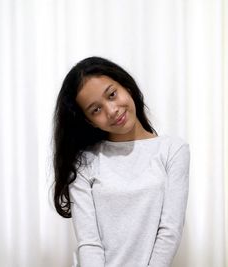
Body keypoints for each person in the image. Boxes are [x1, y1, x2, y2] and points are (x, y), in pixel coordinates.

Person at [52, 56, 190, 267]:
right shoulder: (84, 162)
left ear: (126, 86)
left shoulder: (172, 150)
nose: (112, 110)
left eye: (112, 94)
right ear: (89, 121)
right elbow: (90, 244)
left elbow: (169, 231)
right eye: (96, 109)